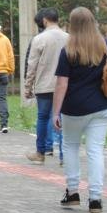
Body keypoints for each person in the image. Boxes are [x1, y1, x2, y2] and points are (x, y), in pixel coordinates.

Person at [53, 7, 107, 213]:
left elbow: (61, 84)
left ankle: (72, 192)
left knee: (71, 147)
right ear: (93, 22)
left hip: (74, 109)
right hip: (103, 106)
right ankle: (95, 199)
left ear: (72, 25)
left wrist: (55, 112)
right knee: (95, 150)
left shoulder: (68, 51)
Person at [24, 9, 69, 163]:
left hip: (44, 84)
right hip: (65, 86)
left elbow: (32, 66)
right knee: (63, 119)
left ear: (44, 20)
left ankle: (40, 153)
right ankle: (65, 155)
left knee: (43, 117)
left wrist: (28, 87)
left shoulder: (39, 39)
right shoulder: (69, 38)